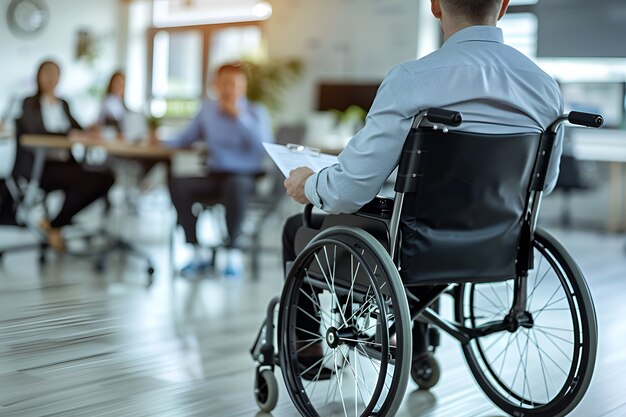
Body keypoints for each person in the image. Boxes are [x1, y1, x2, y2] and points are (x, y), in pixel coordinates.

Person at [280, 0, 564, 364]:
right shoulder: (543, 86)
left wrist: (309, 184)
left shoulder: (413, 79)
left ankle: (307, 356)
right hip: (497, 243)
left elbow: (351, 189)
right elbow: (544, 184)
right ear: (504, 6)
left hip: (415, 245)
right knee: (406, 226)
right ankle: (416, 338)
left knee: (299, 229)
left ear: (435, 6)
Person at [167, 63, 274, 276]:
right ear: (215, 85)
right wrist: (158, 142)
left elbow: (265, 146)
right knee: (177, 183)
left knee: (235, 185)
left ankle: (233, 252)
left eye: (233, 84)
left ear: (243, 86)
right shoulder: (207, 111)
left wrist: (239, 117)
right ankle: (194, 248)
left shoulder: (255, 112)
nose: (228, 89)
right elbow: (185, 138)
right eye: (224, 83)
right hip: (215, 175)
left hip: (245, 177)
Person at [14, 60, 115, 250]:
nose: (51, 78)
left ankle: (55, 224)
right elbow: (35, 132)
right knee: (84, 180)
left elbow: (77, 129)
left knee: (106, 177)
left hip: (66, 162)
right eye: (47, 73)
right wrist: (66, 135)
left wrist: (89, 130)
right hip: (41, 166)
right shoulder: (30, 103)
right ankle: (57, 225)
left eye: (55, 73)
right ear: (39, 76)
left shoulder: (64, 104)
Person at [98, 71, 126, 136]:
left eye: (121, 84)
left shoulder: (121, 103)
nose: (119, 86)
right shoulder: (107, 102)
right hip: (108, 135)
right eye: (117, 83)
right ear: (111, 84)